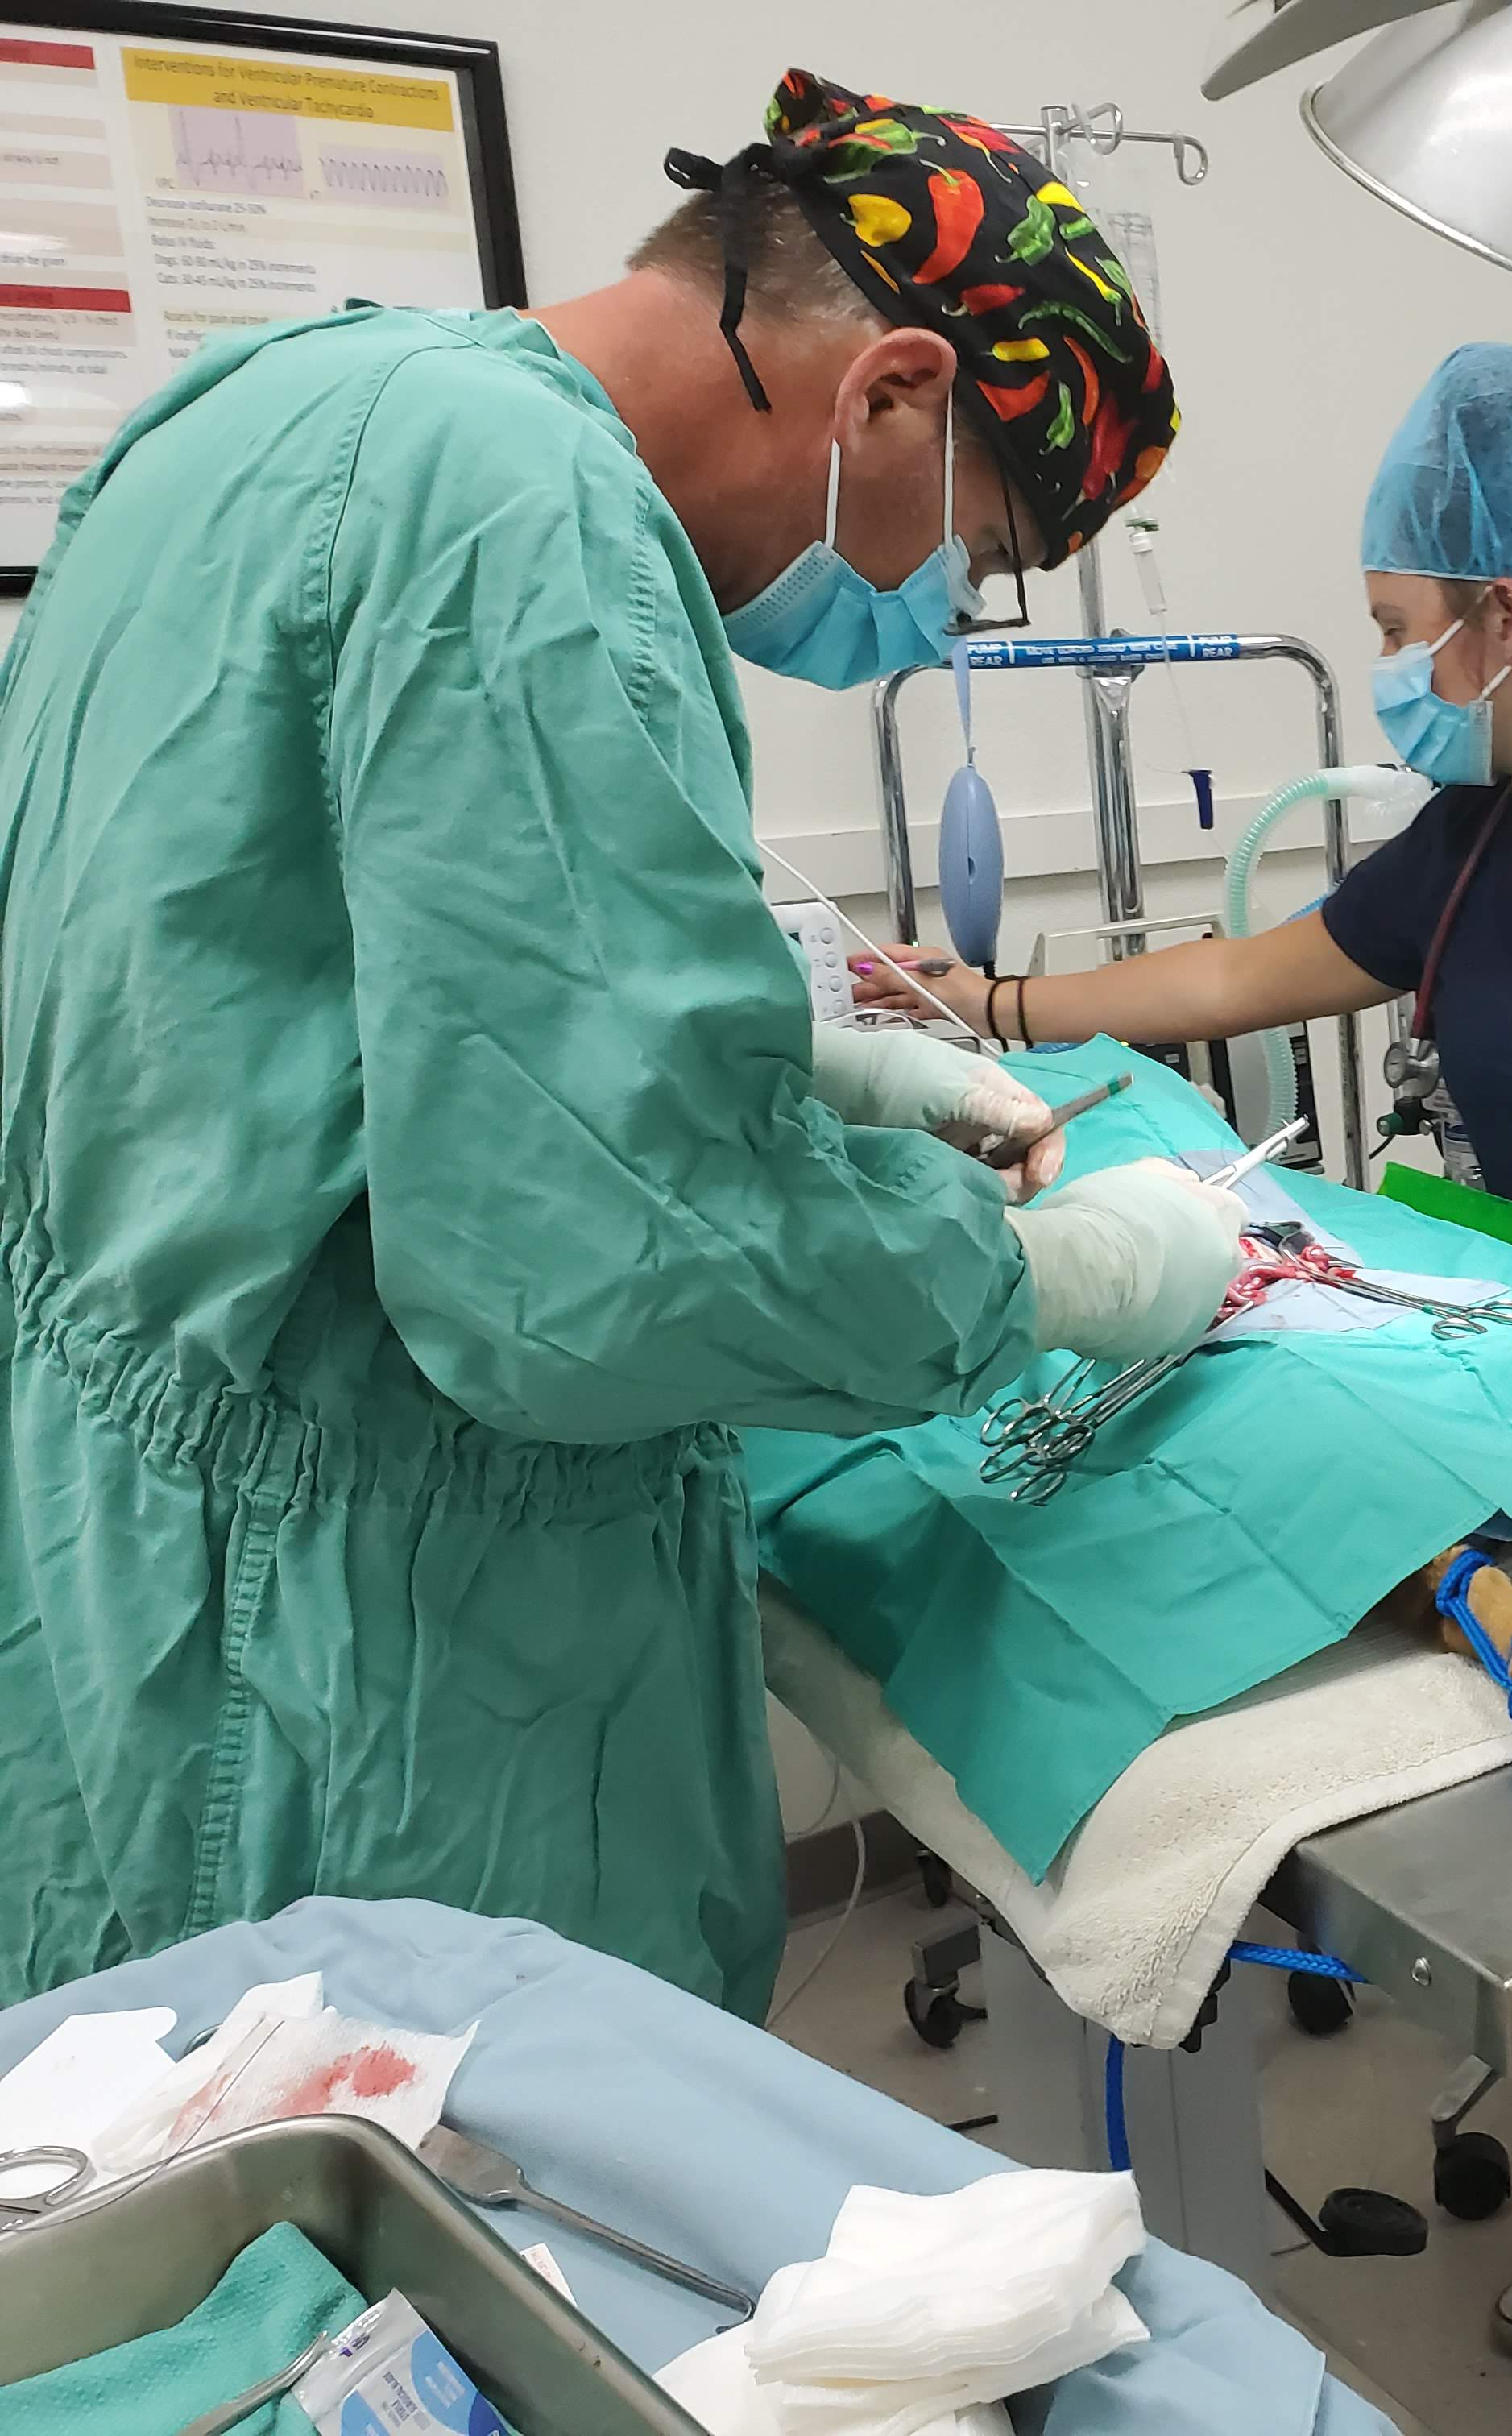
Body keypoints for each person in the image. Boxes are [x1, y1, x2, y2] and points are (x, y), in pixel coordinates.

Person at [0, 71, 1249, 2019]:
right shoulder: (527, 513)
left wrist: (821, 1062)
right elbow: (595, 1269)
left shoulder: (276, 406)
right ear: (894, 393)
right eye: (981, 555)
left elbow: (284, 965)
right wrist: (1051, 1275)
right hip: (364, 1668)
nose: (939, 630)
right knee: (460, 2266)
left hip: (124, 1553)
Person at [855, 342, 1512, 1383]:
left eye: (1394, 627)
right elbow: (1237, 977)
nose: (1387, 667)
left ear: (1504, 615)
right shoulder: (1468, 844)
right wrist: (985, 1003)